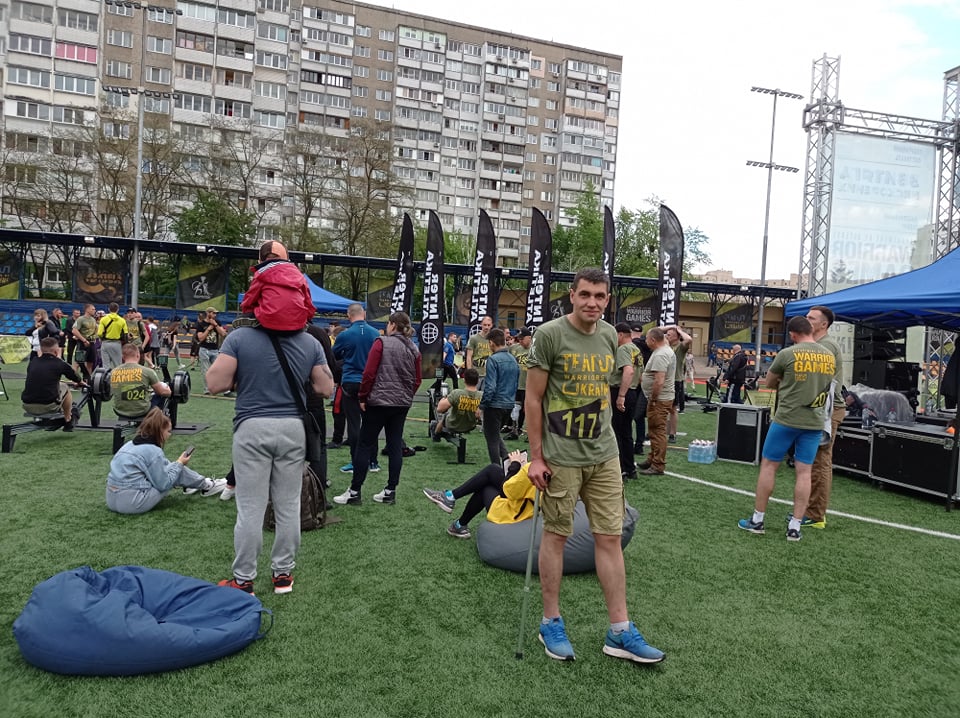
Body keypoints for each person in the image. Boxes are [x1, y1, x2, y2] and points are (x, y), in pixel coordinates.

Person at [525, 267, 665, 664]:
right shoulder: (549, 335)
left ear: (608, 300)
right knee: (557, 536)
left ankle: (619, 630)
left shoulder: (608, 336)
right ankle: (550, 622)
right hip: (561, 456)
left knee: (609, 538)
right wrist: (536, 456)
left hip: (604, 454)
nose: (592, 302)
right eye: (585, 294)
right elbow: (533, 398)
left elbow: (604, 387)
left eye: (600, 296)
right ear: (572, 295)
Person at [206, 314, 334, 595]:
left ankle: (244, 580)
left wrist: (244, 377)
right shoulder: (310, 342)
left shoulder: (239, 338)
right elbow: (326, 388)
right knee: (288, 506)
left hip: (252, 427)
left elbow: (214, 383)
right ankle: (283, 575)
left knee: (250, 508)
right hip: (292, 428)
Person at [738, 316, 836, 542]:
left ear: (792, 334)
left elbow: (769, 383)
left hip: (787, 419)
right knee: (804, 472)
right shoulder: (828, 355)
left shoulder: (787, 353)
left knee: (769, 466)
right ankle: (795, 526)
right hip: (814, 421)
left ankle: (758, 519)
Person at [333, 312, 420, 506]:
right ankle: (390, 490)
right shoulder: (413, 348)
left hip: (379, 401)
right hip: (401, 403)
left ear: (392, 325)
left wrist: (363, 396)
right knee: (395, 444)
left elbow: (369, 373)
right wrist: (407, 395)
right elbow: (417, 379)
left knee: (365, 444)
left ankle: (355, 491)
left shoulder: (381, 343)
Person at [105, 408, 226, 514]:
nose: (170, 435)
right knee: (177, 469)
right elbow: (164, 484)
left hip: (111, 499)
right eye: (168, 431)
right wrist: (179, 463)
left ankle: (191, 484)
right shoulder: (153, 451)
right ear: (159, 431)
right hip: (134, 503)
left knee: (172, 467)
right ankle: (207, 486)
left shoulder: (128, 445)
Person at [422, 449, 533, 538]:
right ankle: (457, 520)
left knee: (486, 483)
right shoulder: (541, 469)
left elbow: (507, 492)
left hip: (515, 515)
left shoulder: (533, 468)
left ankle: (452, 503)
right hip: (526, 509)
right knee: (493, 470)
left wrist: (515, 465)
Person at [802, 305, 845, 530]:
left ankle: (816, 515)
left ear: (823, 324)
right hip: (820, 409)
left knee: (820, 462)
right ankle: (811, 510)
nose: (806, 320)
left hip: (827, 411)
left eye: (811, 318)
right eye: (807, 316)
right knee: (815, 461)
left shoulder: (825, 346)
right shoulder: (818, 345)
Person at [332, 303, 380, 474]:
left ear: (348, 316)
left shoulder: (345, 335)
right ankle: (373, 461)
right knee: (371, 422)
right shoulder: (375, 333)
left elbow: (334, 355)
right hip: (370, 382)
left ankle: (356, 461)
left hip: (351, 382)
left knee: (353, 423)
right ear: (364, 314)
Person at [238, 240, 315, 331]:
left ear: (260, 260)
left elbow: (249, 301)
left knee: (238, 325)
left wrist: (246, 314)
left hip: (268, 323)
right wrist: (308, 319)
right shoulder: (299, 275)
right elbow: (309, 304)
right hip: (297, 324)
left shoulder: (261, 273)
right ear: (287, 258)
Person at [21, 337, 86, 430]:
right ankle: (68, 419)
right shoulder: (59, 363)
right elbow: (76, 377)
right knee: (65, 387)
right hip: (48, 406)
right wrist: (80, 382)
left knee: (58, 385)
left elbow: (42, 378)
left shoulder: (33, 362)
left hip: (27, 405)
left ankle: (61, 415)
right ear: (56, 351)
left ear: (41, 350)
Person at [638, 328, 676, 476]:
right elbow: (660, 334)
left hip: (659, 399)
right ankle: (652, 459)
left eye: (647, 338)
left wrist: (653, 399)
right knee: (653, 431)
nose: (645, 341)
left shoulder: (661, 354)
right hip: (662, 397)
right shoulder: (664, 348)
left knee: (657, 431)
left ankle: (658, 464)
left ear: (653, 340)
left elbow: (659, 381)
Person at [479, 328, 520, 466]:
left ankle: (496, 469)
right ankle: (509, 463)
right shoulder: (513, 360)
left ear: (491, 342)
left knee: (491, 439)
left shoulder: (493, 360)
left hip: (494, 404)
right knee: (495, 435)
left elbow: (490, 387)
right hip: (509, 404)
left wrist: (482, 406)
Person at [610, 322, 641, 480]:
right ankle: (630, 468)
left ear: (620, 334)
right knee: (627, 433)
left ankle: (620, 469)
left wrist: (621, 395)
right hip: (633, 391)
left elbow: (628, 371)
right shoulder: (636, 349)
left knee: (616, 432)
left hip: (621, 390)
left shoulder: (623, 349)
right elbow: (639, 375)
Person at [110, 342, 171, 418]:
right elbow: (163, 392)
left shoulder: (113, 372)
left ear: (123, 357)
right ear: (138, 355)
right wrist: (168, 390)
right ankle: (156, 419)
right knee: (163, 393)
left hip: (119, 411)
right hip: (143, 411)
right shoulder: (147, 371)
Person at [431, 367, 481, 439]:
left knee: (445, 415)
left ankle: (436, 434)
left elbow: (439, 409)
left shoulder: (457, 393)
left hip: (453, 424)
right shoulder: (482, 396)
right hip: (471, 426)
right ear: (478, 381)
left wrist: (443, 399)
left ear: (464, 380)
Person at [665, 325, 692, 438]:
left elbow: (688, 339)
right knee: (661, 407)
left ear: (676, 337)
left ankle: (672, 433)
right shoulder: (664, 346)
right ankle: (661, 430)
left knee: (672, 408)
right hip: (664, 380)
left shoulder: (680, 347)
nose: (666, 336)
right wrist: (670, 327)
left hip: (675, 380)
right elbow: (654, 332)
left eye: (669, 335)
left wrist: (680, 331)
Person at [506, 327, 533, 439]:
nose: (520, 341)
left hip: (530, 385)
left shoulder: (535, 350)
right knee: (515, 408)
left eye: (522, 339)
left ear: (529, 338)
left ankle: (528, 431)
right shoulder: (515, 348)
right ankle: (514, 429)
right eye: (519, 339)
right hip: (516, 384)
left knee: (527, 410)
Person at [630, 324, 653, 456]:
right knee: (639, 417)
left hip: (632, 384)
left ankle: (626, 443)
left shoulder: (630, 346)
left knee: (627, 416)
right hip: (644, 384)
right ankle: (639, 445)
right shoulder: (648, 347)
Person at [195, 308, 227, 394]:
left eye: (216, 313)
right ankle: (207, 389)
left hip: (215, 350)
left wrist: (215, 325)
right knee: (206, 371)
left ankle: (225, 390)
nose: (215, 315)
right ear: (208, 313)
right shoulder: (201, 324)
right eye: (213, 313)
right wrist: (208, 329)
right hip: (204, 349)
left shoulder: (217, 322)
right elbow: (200, 338)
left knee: (219, 370)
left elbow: (223, 334)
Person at [97, 302, 126, 370]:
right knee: (118, 364)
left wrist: (102, 338)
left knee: (105, 365)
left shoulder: (103, 319)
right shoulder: (122, 320)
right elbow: (125, 333)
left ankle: (106, 376)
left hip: (105, 343)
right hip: (117, 343)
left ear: (109, 309)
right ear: (118, 309)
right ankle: (118, 376)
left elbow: (99, 333)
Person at [72, 304, 98, 379]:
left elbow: (95, 330)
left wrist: (94, 338)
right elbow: (74, 330)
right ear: (87, 310)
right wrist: (84, 340)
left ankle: (87, 380)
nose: (94, 311)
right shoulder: (81, 319)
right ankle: (74, 379)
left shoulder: (93, 319)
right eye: (93, 309)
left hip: (91, 343)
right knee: (78, 362)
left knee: (90, 362)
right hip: (82, 343)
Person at [465, 316, 493, 383]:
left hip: (490, 374)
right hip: (476, 373)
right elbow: (469, 357)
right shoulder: (474, 338)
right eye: (485, 325)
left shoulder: (494, 339)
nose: (486, 327)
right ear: (481, 324)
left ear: (491, 325)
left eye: (488, 325)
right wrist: (469, 372)